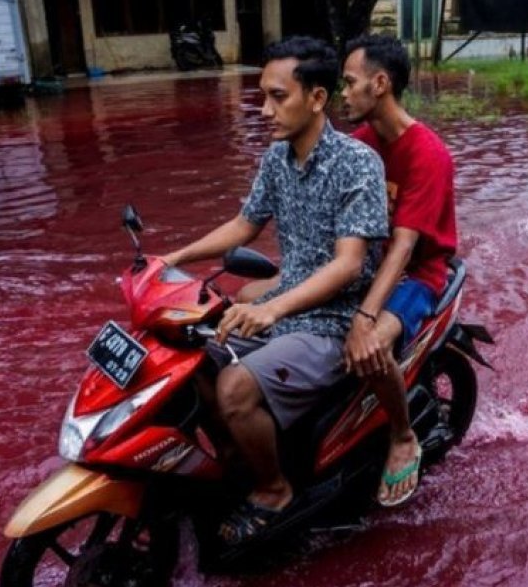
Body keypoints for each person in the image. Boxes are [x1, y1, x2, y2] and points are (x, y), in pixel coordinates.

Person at [162, 36, 389, 543]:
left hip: (334, 319)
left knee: (235, 388)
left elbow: (349, 265)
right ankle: (239, 461)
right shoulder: (276, 158)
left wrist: (273, 307)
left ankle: (273, 490)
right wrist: (173, 258)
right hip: (283, 303)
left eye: (277, 96)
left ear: (317, 98)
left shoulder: (357, 164)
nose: (264, 110)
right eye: (262, 96)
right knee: (192, 362)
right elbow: (244, 225)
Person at [340, 34, 457, 506]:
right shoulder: (362, 143)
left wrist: (366, 317)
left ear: (380, 84)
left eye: (349, 83)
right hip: (370, 263)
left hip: (418, 275)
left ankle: (402, 433)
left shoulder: (428, 154)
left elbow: (406, 247)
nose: (343, 94)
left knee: (370, 347)